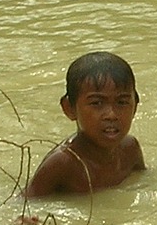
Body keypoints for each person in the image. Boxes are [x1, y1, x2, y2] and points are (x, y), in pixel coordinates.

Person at [23, 52, 145, 198]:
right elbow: (26, 204)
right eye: (96, 103)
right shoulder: (62, 163)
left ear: (135, 106)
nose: (111, 115)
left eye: (122, 102)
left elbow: (144, 181)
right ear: (69, 108)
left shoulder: (130, 149)